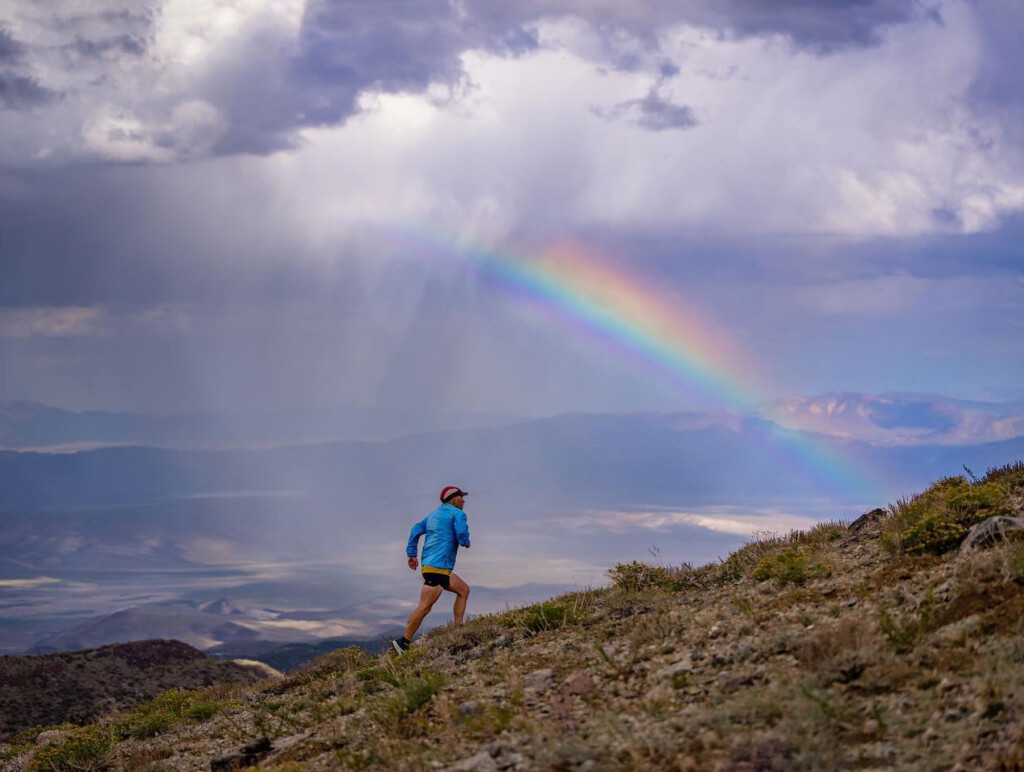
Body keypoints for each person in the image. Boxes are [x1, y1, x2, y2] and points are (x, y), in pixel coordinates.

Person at [391, 486, 471, 654]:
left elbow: (415, 530)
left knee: (463, 590)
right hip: (439, 567)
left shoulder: (432, 515)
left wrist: (412, 554)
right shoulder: (458, 514)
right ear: (454, 499)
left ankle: (458, 629)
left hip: (434, 566)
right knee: (424, 607)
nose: (463, 501)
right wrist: (465, 541)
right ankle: (403, 643)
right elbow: (462, 531)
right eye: (461, 497)